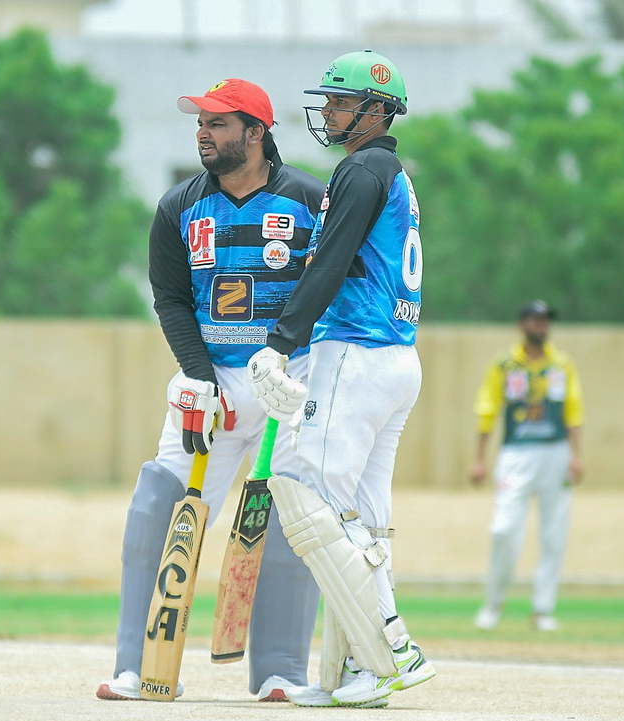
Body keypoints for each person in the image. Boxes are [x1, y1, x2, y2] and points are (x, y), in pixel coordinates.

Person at [96, 78, 324, 702]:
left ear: (256, 132)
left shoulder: (311, 199)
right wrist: (197, 375)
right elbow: (171, 299)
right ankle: (136, 665)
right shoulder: (178, 207)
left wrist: (295, 365)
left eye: (218, 123)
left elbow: (333, 285)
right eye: (200, 122)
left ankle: (281, 671)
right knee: (158, 503)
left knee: (290, 519)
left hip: (290, 382)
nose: (203, 132)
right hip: (211, 385)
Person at [245, 50, 435, 708]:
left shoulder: (360, 169)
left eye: (341, 101)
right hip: (395, 358)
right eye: (327, 100)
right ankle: (356, 671)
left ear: (377, 110)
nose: (327, 111)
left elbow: (328, 262)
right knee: (364, 522)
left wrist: (279, 343)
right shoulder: (392, 174)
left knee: (306, 496)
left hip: (356, 352)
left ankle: (391, 649)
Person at [470, 300, 585, 632]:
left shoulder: (562, 364)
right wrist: (479, 459)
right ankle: (493, 605)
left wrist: (576, 455)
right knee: (503, 529)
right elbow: (487, 408)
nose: (542, 326)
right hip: (516, 453)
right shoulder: (505, 364)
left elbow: (574, 411)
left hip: (555, 452)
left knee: (554, 534)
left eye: (546, 320)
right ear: (521, 325)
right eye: (535, 320)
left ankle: (542, 609)